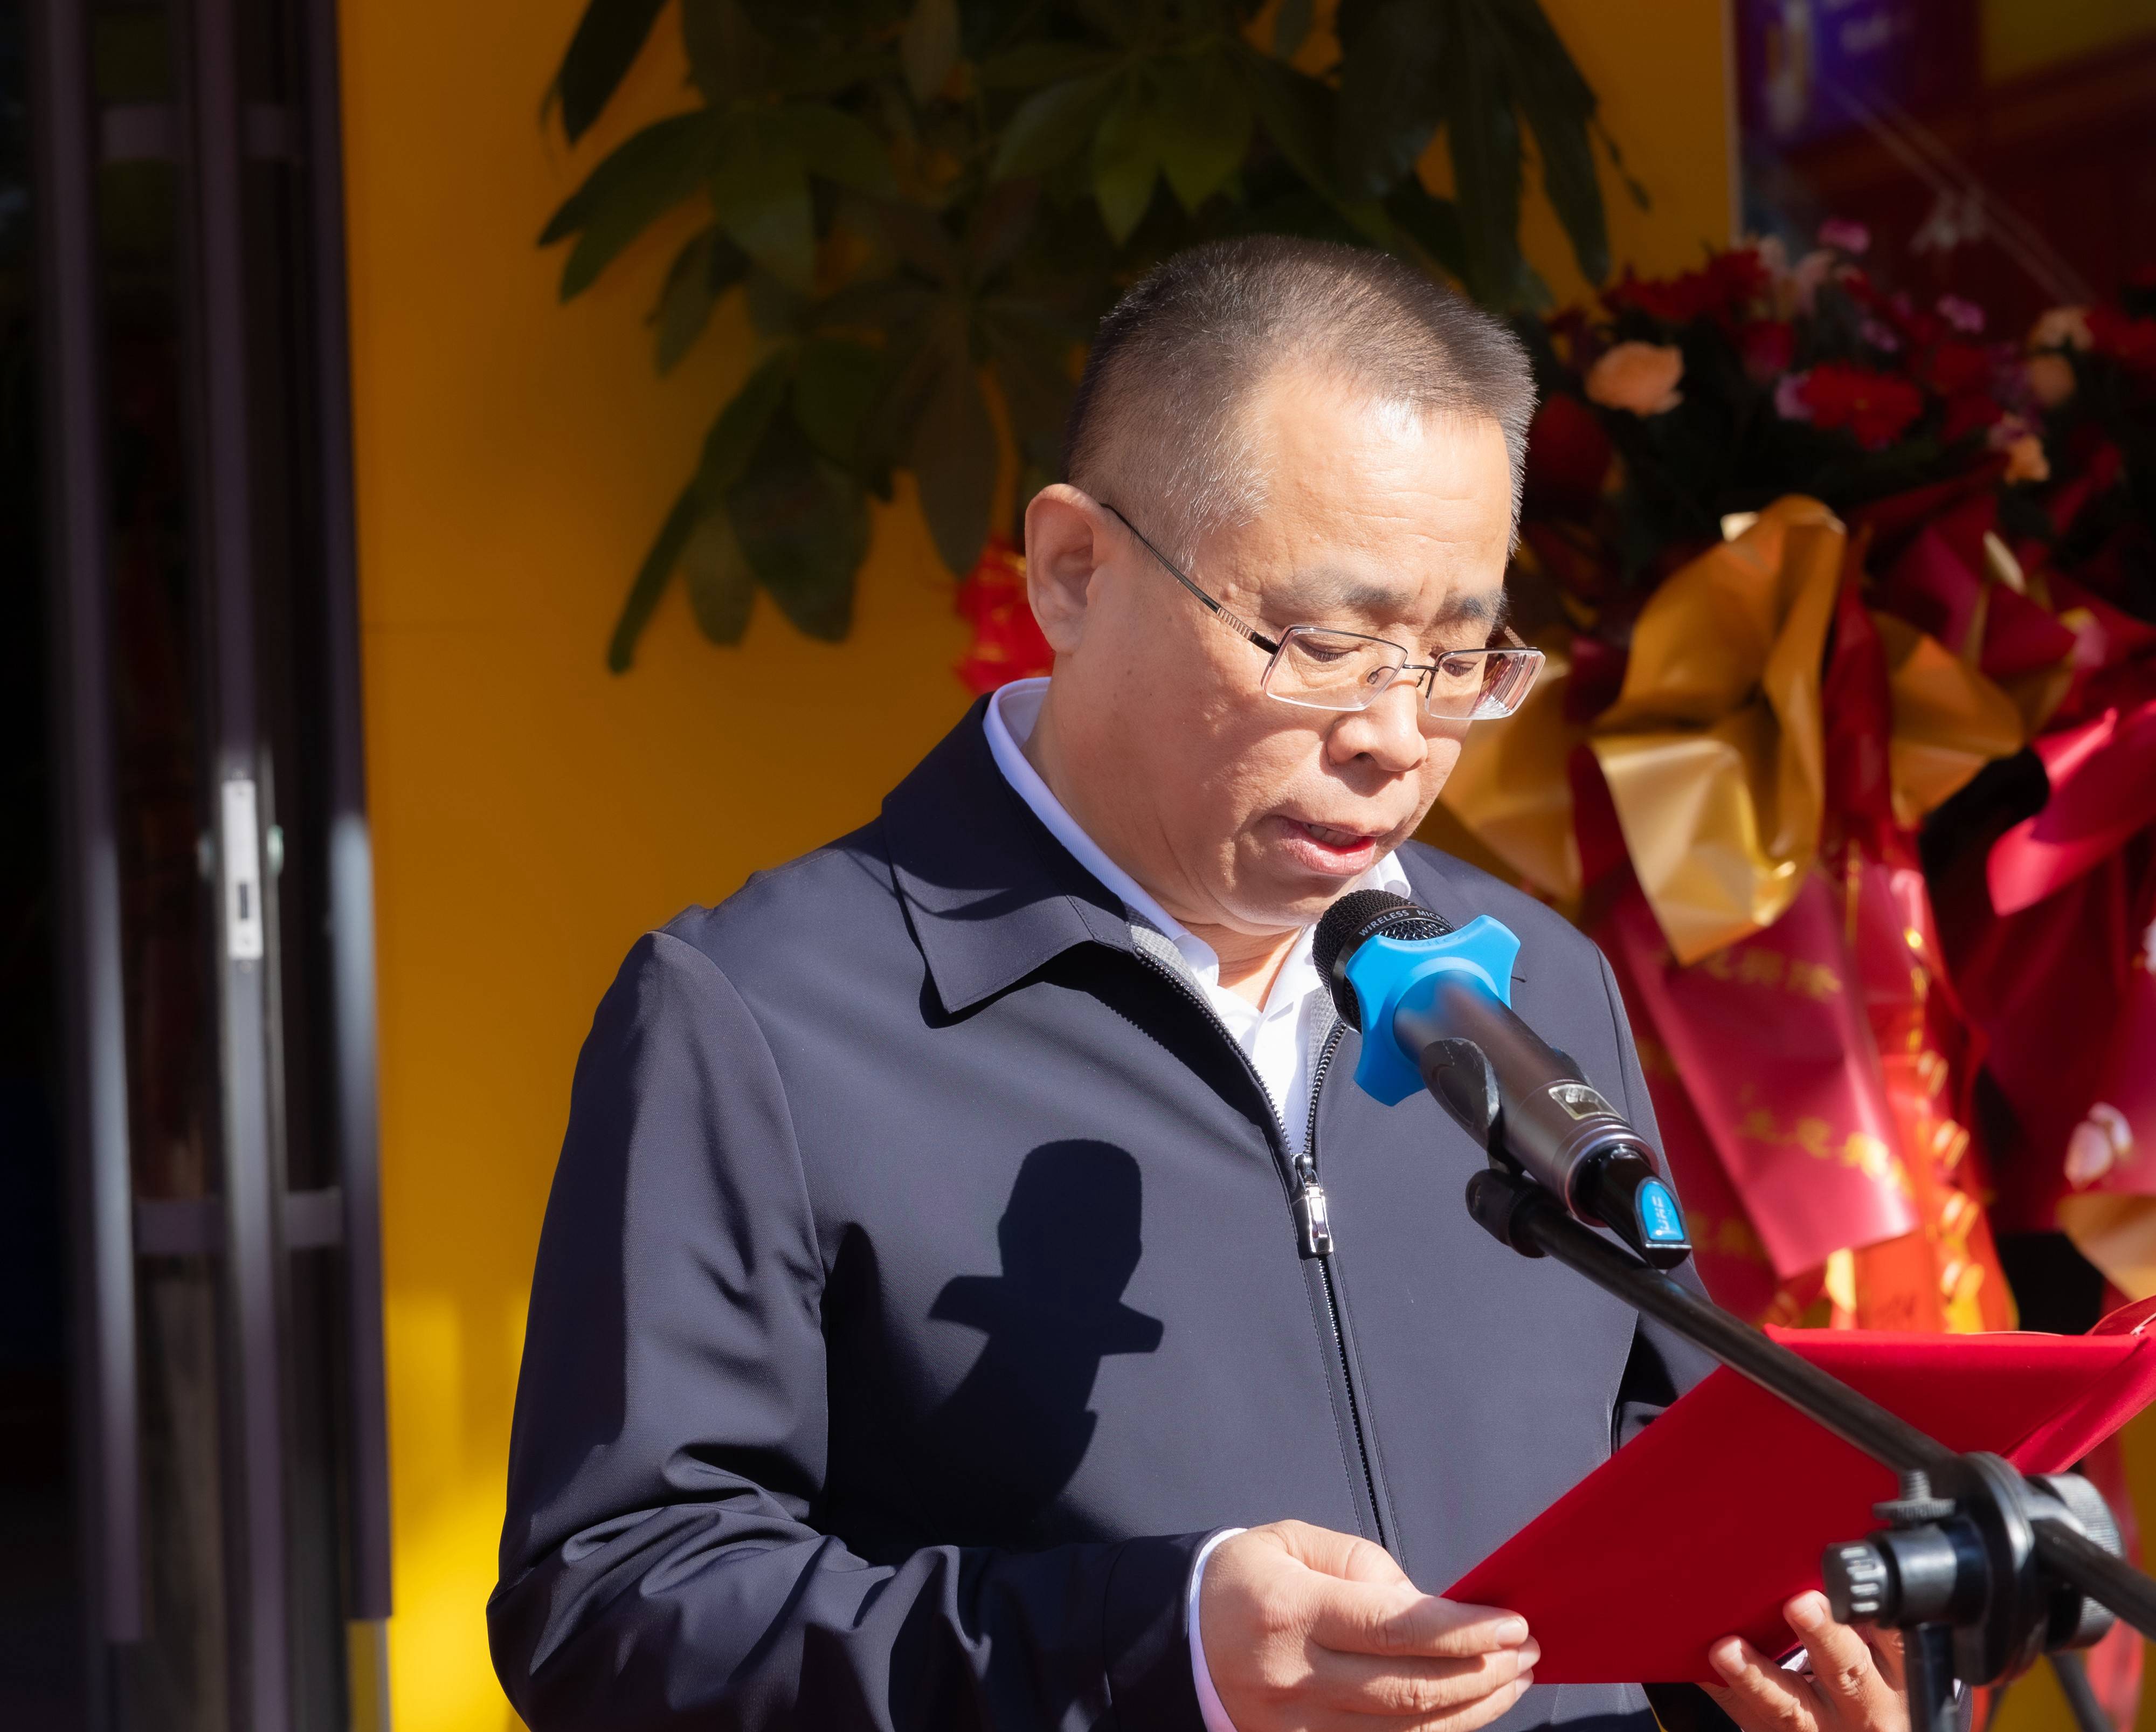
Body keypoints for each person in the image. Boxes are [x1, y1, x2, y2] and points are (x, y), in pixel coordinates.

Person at [490, 237, 1910, 1732]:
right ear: (1074, 572)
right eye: (1325, 643)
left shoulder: (1527, 977)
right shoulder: (763, 1020)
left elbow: (1656, 1488)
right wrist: (1155, 1651)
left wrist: (1798, 1669)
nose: (1395, 737)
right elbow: (614, 1612)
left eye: (1457, 657)